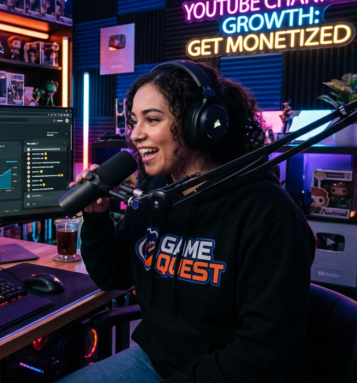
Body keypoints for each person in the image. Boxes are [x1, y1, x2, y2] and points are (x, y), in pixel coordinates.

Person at [59, 61, 315, 383]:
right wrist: (96, 219)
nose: (136, 135)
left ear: (203, 123)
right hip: (155, 362)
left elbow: (265, 353)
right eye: (134, 121)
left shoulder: (268, 215)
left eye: (152, 119)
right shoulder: (157, 191)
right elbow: (115, 276)